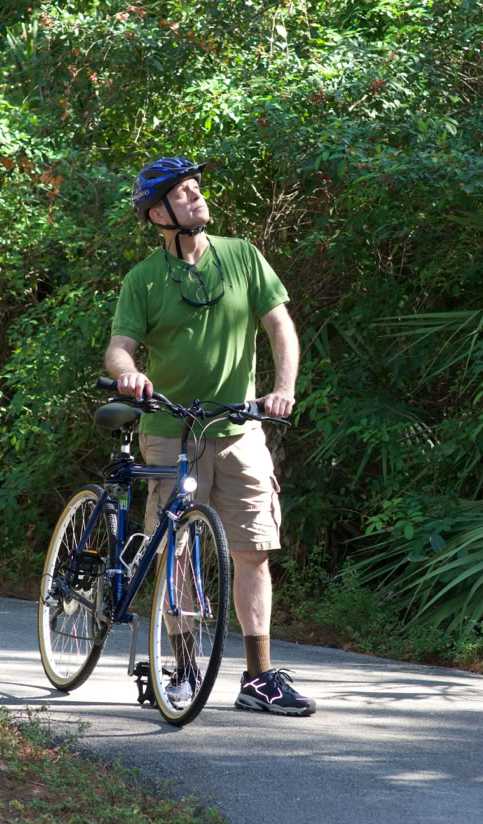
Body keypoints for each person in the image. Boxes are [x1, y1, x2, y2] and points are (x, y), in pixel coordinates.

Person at [104, 156, 316, 717]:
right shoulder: (144, 279)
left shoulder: (242, 256)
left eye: (197, 189)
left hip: (239, 427)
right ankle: (182, 669)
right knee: (174, 547)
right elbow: (119, 344)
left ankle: (260, 678)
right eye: (184, 193)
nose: (197, 198)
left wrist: (282, 388)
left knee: (252, 552)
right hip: (170, 429)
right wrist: (129, 370)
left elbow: (279, 327)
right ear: (158, 214)